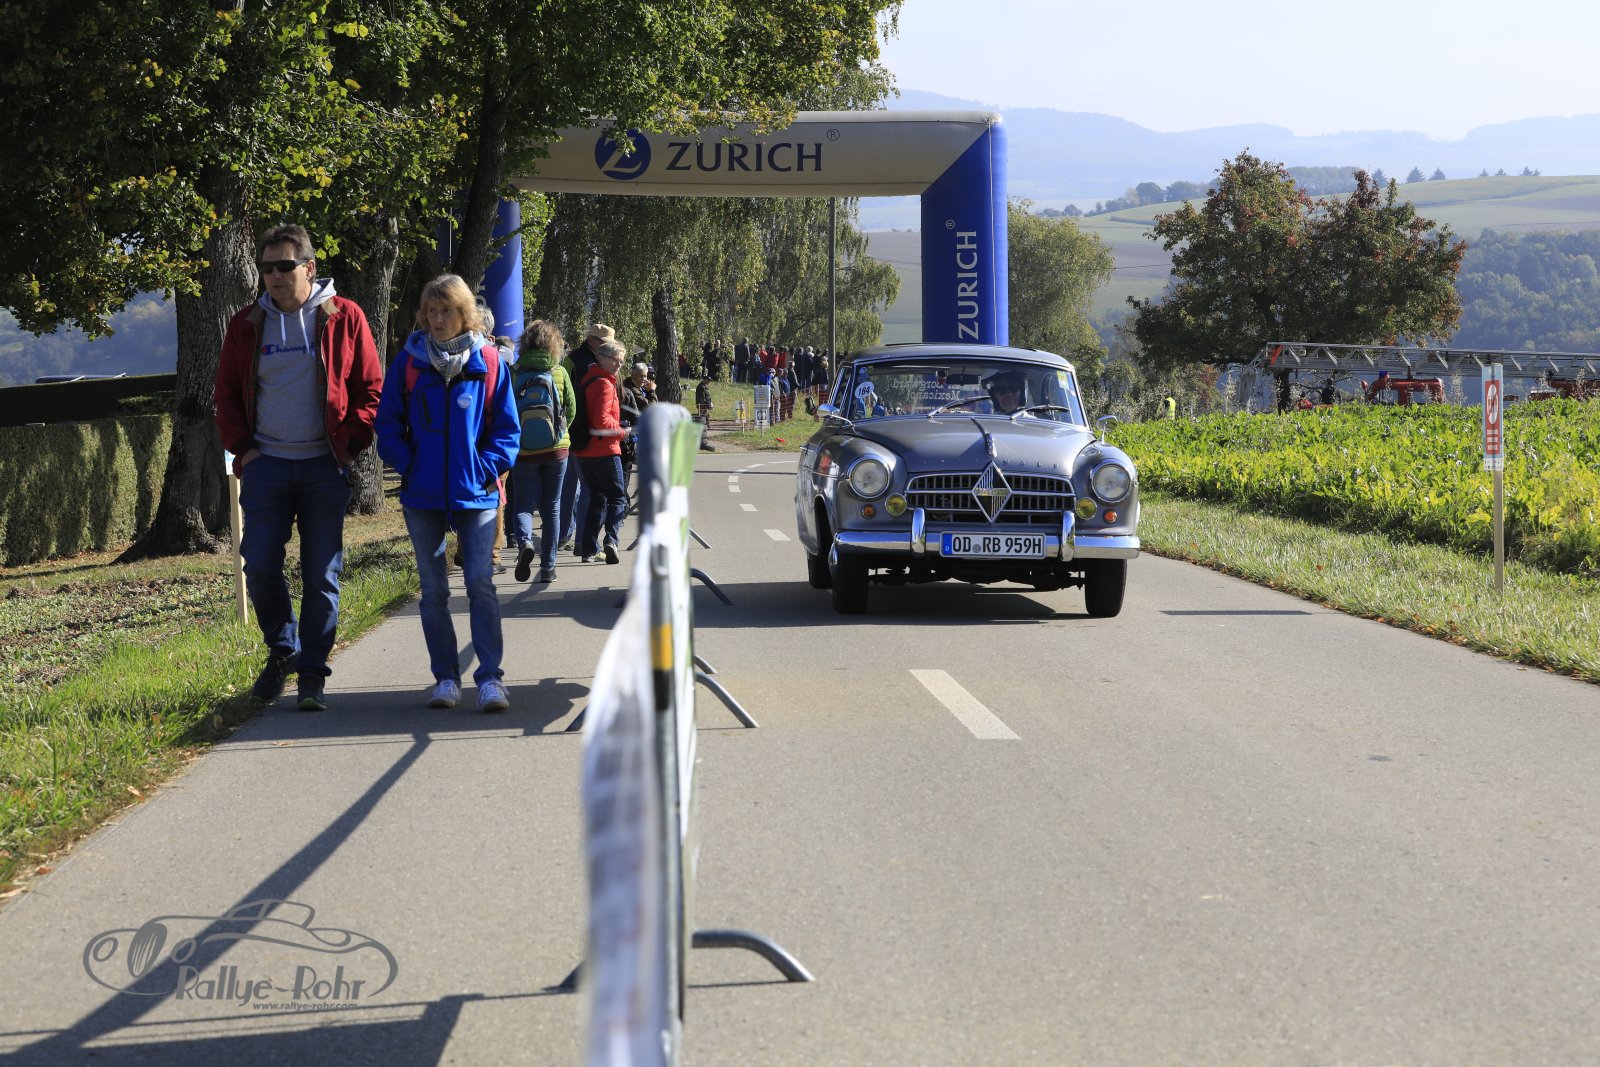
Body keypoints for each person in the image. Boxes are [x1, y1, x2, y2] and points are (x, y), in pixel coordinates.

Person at [215, 222, 382, 712]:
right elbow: (226, 394)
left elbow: (370, 388)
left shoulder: (344, 316)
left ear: (309, 267)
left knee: (321, 575)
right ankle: (283, 647)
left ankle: (312, 674)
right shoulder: (247, 323)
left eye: (284, 266)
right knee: (259, 563)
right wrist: (246, 451)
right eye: (267, 268)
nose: (274, 275)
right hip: (266, 466)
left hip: (323, 468)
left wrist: (348, 448)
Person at [374, 274, 520, 713]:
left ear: (465, 315)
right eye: (431, 311)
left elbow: (507, 432)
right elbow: (387, 425)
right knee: (433, 590)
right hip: (423, 495)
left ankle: (490, 679)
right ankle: (446, 679)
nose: (438, 320)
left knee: (479, 582)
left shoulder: (489, 362)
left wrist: (483, 468)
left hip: (476, 493)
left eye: (447, 311)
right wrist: (411, 465)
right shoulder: (409, 362)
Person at [509, 319, 577, 585]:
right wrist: (559, 434)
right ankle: (548, 567)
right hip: (556, 451)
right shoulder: (558, 371)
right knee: (552, 507)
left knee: (523, 505)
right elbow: (571, 408)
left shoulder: (514, 372)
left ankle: (525, 543)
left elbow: (505, 410)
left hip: (523, 450)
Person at [557, 323, 614, 553]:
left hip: (570, 431)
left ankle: (563, 536)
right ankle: (582, 541)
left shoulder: (571, 359)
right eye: (604, 343)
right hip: (585, 433)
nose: (607, 348)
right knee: (588, 489)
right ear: (591, 340)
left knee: (570, 487)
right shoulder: (590, 364)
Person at [572, 339, 630, 564]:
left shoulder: (588, 378)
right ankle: (611, 540)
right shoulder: (604, 384)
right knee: (617, 498)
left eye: (622, 361)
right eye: (616, 360)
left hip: (585, 450)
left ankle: (588, 549)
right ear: (602, 358)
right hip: (604, 449)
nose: (619, 365)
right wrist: (623, 432)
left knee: (597, 498)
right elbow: (602, 421)